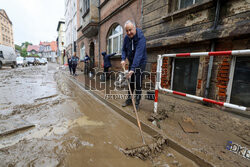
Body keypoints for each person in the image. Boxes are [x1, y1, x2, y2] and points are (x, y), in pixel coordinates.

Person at [121, 20, 147, 110]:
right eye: (127, 31)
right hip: (132, 62)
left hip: (140, 63)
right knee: (130, 81)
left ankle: (137, 102)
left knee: (138, 82)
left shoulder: (141, 38)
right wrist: (123, 59)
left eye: (130, 30)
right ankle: (129, 99)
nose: (128, 33)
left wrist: (132, 69)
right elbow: (123, 49)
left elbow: (138, 55)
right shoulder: (126, 38)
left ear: (135, 28)